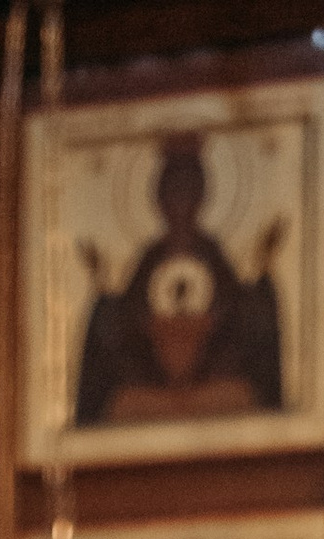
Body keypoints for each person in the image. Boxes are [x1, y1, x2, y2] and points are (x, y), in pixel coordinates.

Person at [73, 135, 284, 427]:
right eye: (172, 191)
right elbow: (125, 322)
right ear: (158, 197)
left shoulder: (211, 253)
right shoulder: (151, 257)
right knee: (122, 402)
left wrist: (262, 274)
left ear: (202, 195)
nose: (180, 201)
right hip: (152, 395)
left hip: (212, 390)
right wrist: (108, 297)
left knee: (240, 396)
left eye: (188, 190)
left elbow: (240, 317)